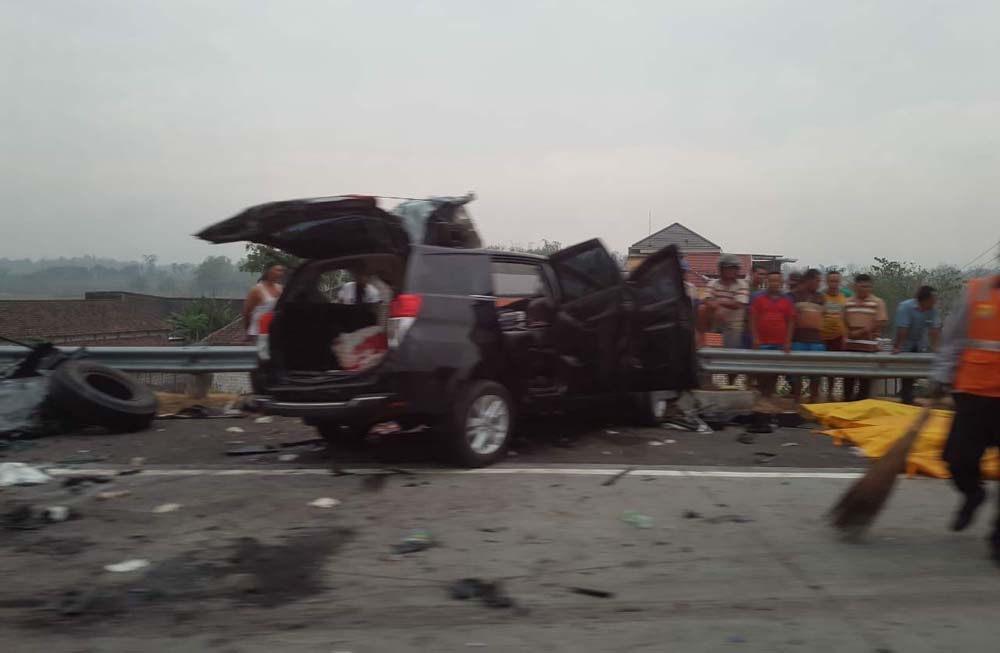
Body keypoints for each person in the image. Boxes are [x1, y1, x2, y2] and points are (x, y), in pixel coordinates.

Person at [930, 273, 1000, 565]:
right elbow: (953, 338)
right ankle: (973, 494)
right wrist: (941, 375)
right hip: (973, 393)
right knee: (956, 459)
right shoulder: (976, 291)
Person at [843, 273, 888, 401]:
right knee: (849, 381)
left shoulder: (877, 302)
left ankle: (861, 407)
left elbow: (881, 321)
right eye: (862, 286)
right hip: (851, 346)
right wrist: (850, 332)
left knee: (864, 382)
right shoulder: (848, 302)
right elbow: (843, 319)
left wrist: (862, 331)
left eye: (868, 287)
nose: (865, 289)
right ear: (855, 287)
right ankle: (847, 407)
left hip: (868, 347)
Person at [750, 271, 794, 398]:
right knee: (761, 371)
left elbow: (791, 321)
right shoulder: (758, 298)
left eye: (777, 281)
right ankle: (762, 396)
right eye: (772, 280)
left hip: (779, 343)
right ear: (767, 282)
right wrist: (755, 338)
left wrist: (788, 341)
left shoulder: (787, 300)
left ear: (781, 283)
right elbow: (753, 319)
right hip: (762, 342)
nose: (774, 283)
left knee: (775, 371)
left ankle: (769, 396)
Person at [894, 285, 941, 404]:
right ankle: (906, 400)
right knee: (906, 375)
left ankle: (912, 397)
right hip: (905, 343)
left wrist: (936, 348)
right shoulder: (905, 307)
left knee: (915, 374)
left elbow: (934, 330)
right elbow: (903, 329)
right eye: (933, 299)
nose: (935, 302)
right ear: (925, 299)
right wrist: (898, 347)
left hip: (920, 344)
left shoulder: (932, 310)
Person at [789, 268, 826, 403]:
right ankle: (797, 400)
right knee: (797, 372)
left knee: (816, 373)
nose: (819, 284)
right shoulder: (794, 296)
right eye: (817, 281)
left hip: (816, 340)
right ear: (809, 280)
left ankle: (813, 399)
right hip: (798, 339)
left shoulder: (820, 298)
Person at [704, 255, 749, 349]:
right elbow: (706, 300)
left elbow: (738, 304)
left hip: (734, 328)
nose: (733, 271)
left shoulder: (742, 285)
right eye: (729, 268)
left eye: (735, 268)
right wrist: (718, 309)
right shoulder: (712, 283)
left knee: (730, 356)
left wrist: (718, 304)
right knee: (713, 354)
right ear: (721, 269)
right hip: (715, 327)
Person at [820, 270, 849, 400]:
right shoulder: (821, 297)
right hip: (823, 337)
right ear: (826, 281)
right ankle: (823, 393)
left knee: (837, 367)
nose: (834, 283)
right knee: (823, 367)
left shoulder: (845, 297)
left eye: (836, 281)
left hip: (839, 336)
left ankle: (834, 394)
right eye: (831, 281)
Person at [243, 265, 285, 339]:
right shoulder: (256, 290)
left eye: (282, 271)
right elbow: (247, 312)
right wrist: (247, 330)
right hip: (258, 332)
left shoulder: (280, 289)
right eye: (278, 270)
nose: (281, 273)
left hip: (274, 331)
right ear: (268, 271)